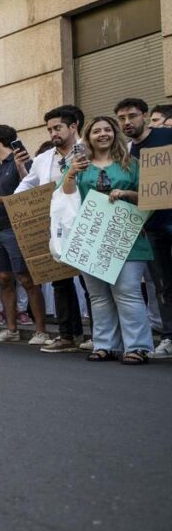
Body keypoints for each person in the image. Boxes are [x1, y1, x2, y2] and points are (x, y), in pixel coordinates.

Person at [62, 116, 153, 364]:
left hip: (126, 237)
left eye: (107, 130)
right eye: (96, 131)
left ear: (115, 134)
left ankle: (137, 347)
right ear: (88, 137)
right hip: (90, 239)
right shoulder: (79, 165)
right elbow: (65, 197)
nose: (102, 134)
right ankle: (105, 345)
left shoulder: (131, 164)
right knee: (99, 296)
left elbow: (150, 197)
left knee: (128, 292)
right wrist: (70, 172)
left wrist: (125, 193)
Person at [13, 106, 88, 352]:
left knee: (91, 283)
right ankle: (68, 335)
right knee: (60, 280)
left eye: (57, 128)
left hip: (87, 222)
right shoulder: (45, 159)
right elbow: (27, 184)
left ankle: (99, 336)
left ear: (73, 126)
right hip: (57, 226)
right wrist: (18, 205)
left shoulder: (88, 149)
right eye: (49, 129)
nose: (53, 133)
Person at [0, 124, 49, 345]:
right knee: (3, 279)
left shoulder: (21, 163)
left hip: (17, 229)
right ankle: (11, 328)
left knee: (27, 279)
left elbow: (31, 197)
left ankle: (41, 331)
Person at [118, 97, 172, 358]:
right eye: (122, 118)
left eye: (132, 116)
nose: (127, 122)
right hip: (151, 226)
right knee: (162, 284)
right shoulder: (127, 153)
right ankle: (169, 337)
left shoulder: (168, 136)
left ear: (145, 115)